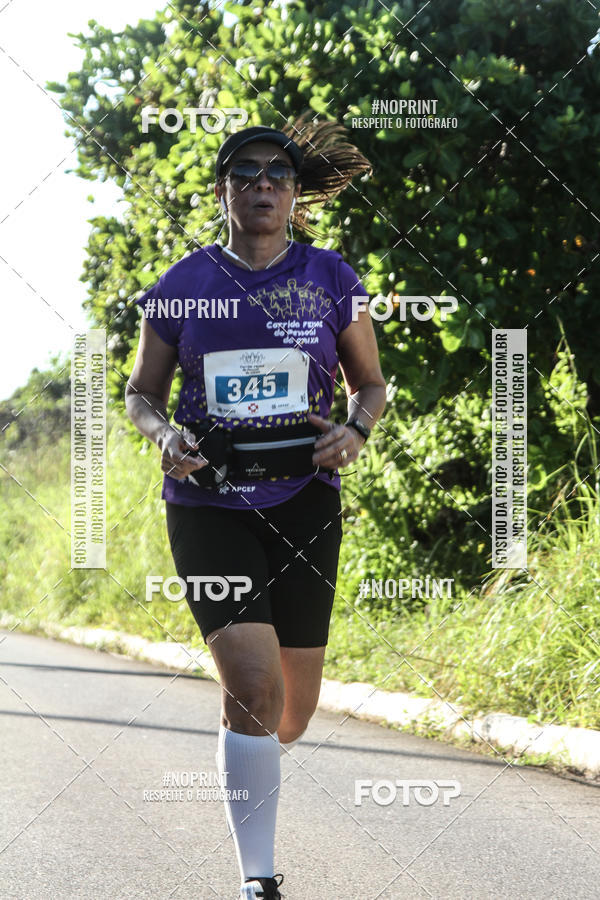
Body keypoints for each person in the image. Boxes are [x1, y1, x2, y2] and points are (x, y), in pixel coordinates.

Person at [125, 120, 386, 900]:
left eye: (279, 173)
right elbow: (140, 393)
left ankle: (252, 751)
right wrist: (164, 433)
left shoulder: (333, 277)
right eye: (247, 172)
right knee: (250, 686)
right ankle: (258, 880)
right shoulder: (182, 284)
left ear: (295, 193)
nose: (264, 183)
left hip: (305, 500)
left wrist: (357, 429)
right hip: (208, 502)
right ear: (225, 190)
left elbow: (370, 386)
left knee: (290, 714)